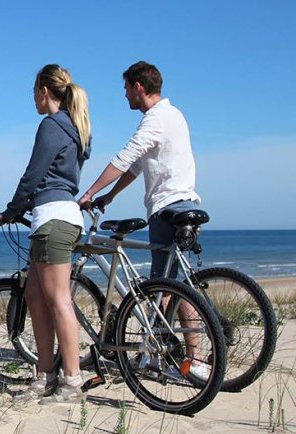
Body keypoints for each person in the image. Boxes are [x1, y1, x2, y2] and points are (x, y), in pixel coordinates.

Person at [78, 61, 206, 375]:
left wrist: (90, 192)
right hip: (183, 202)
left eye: (126, 90)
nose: (124, 97)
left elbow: (124, 158)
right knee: (176, 285)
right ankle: (176, 358)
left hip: (167, 208)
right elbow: (137, 167)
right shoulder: (174, 115)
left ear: (138, 87)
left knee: (164, 289)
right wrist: (110, 196)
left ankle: (191, 361)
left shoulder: (156, 119)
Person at [0, 64, 91, 403]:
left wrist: (10, 210)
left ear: (44, 91)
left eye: (33, 92)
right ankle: (45, 375)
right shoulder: (76, 126)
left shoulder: (52, 125)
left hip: (53, 219)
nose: (32, 99)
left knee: (58, 299)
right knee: (35, 296)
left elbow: (33, 174)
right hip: (53, 218)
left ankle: (72, 381)